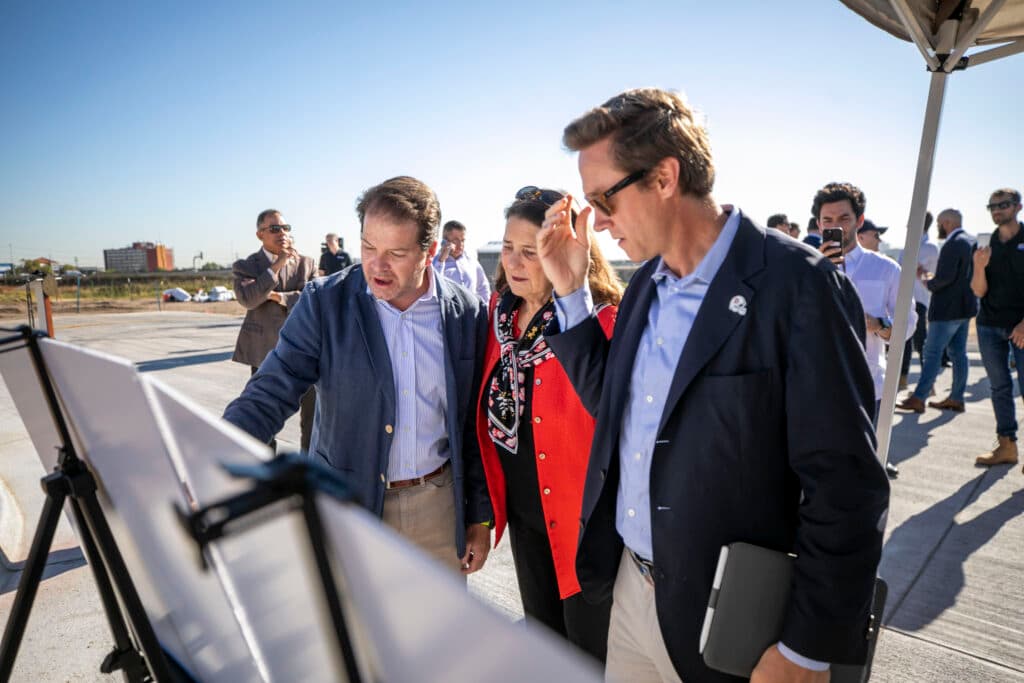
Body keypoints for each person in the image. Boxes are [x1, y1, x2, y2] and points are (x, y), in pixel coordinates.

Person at [535, 88, 889, 683]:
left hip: (729, 625)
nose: (596, 222)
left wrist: (805, 650)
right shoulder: (646, 282)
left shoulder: (798, 286)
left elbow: (846, 485)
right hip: (632, 593)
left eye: (604, 198)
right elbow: (628, 415)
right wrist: (571, 293)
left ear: (665, 177)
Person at [224, 177, 493, 575]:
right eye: (368, 246)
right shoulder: (324, 303)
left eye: (396, 253)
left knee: (436, 637)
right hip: (347, 507)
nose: (376, 265)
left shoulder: (467, 313)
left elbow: (474, 427)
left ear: (430, 251)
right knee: (355, 635)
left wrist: (481, 516)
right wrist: (215, 454)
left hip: (438, 509)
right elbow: (271, 390)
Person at [476, 186, 621, 662]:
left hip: (584, 525)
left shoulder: (601, 322)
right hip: (524, 515)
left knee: (589, 654)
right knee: (544, 648)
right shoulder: (498, 320)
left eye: (532, 252)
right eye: (509, 249)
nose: (514, 263)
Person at [817, 182, 917, 478]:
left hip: (867, 384)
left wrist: (876, 324)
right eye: (827, 220)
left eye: (844, 218)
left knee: (860, 471)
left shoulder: (886, 269)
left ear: (859, 221)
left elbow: (907, 325)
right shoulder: (807, 268)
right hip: (816, 384)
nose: (836, 226)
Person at [231, 209, 317, 452]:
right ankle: (265, 467)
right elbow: (249, 299)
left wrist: (277, 296)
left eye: (286, 228)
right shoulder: (246, 266)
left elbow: (312, 298)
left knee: (313, 417)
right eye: (275, 228)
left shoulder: (306, 263)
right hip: (265, 351)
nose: (283, 233)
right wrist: (278, 264)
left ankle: (308, 469)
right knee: (263, 414)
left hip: (305, 348)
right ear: (260, 234)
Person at [896, 209, 976, 414]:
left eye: (941, 223)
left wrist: (923, 277)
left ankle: (919, 397)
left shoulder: (952, 244)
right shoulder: (970, 241)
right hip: (964, 308)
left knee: (931, 352)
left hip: (946, 309)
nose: (939, 227)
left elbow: (942, 280)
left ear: (947, 222)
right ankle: (956, 397)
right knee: (959, 354)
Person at [971, 188, 1024, 468]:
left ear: (1018, 207)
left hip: (1022, 327)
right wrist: (979, 266)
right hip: (990, 326)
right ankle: (1006, 446)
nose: (996, 210)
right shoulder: (984, 244)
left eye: (1003, 205)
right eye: (992, 206)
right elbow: (979, 291)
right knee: (1000, 387)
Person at [899, 211, 939, 390]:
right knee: (903, 341)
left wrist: (917, 270)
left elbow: (923, 273)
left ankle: (928, 385)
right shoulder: (908, 246)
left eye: (910, 223)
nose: (907, 226)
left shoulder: (930, 247)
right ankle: (901, 379)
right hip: (903, 299)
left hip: (920, 300)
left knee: (921, 341)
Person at [433, 219, 492, 301]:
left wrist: (485, 308)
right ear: (445, 241)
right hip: (449, 311)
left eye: (462, 240)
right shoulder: (435, 263)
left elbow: (483, 288)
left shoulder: (472, 262)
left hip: (472, 311)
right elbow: (434, 285)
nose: (460, 245)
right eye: (455, 240)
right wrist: (442, 260)